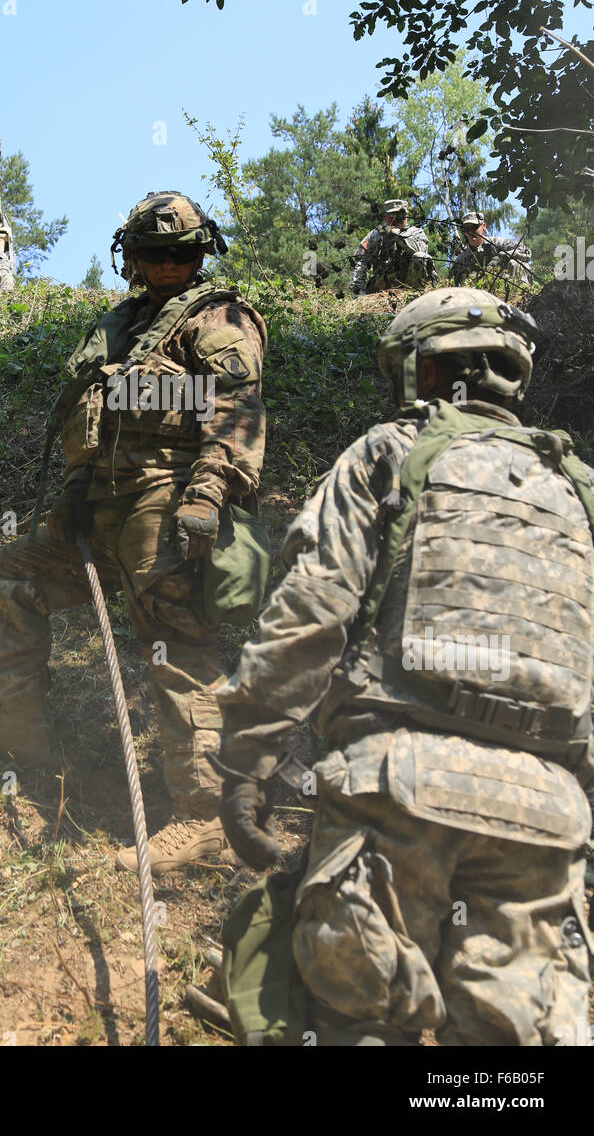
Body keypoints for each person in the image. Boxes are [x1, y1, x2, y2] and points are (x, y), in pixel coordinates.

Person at [216, 287, 594, 1045]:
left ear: (421, 373)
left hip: (396, 784)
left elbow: (311, 612)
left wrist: (247, 756)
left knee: (359, 1023)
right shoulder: (578, 494)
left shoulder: (392, 452)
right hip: (547, 814)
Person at [0, 191, 267, 875]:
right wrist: (70, 500)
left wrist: (207, 494)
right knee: (14, 575)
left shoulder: (220, 317)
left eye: (180, 254)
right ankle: (18, 725)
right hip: (97, 503)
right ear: (132, 259)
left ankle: (205, 815)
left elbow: (234, 410)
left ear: (200, 253)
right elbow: (88, 420)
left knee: (172, 642)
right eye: (153, 254)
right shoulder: (119, 325)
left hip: (165, 496)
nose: (167, 265)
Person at [350, 199, 436, 295]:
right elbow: (359, 261)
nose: (396, 220)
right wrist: (358, 293)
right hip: (382, 285)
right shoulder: (376, 235)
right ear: (386, 218)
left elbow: (420, 252)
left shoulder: (416, 233)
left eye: (400, 216)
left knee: (421, 256)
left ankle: (416, 295)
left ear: (406, 217)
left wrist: (395, 233)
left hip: (410, 282)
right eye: (392, 217)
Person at [451, 210, 533, 287]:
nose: (470, 232)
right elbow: (450, 282)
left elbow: (526, 252)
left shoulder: (497, 243)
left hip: (509, 288)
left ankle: (522, 293)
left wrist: (500, 257)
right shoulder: (462, 258)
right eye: (466, 229)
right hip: (479, 296)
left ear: (484, 226)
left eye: (474, 227)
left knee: (515, 263)